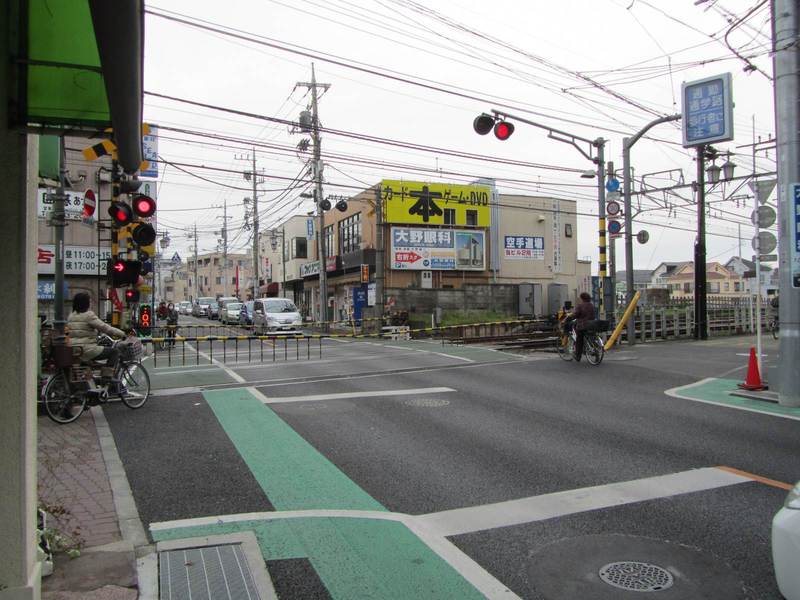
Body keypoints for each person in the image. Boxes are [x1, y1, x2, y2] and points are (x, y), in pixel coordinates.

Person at [67, 292, 127, 371]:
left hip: (75, 350)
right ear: (85, 303)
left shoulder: (71, 316)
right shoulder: (88, 315)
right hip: (87, 350)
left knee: (88, 368)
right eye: (89, 301)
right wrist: (122, 334)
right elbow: (105, 328)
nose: (90, 303)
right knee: (114, 352)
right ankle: (107, 377)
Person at [568, 292, 596, 362]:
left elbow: (576, 314)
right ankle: (596, 352)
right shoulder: (591, 305)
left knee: (579, 340)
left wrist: (569, 317)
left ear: (582, 298)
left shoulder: (580, 305)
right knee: (591, 337)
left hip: (583, 325)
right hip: (591, 324)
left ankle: (578, 356)